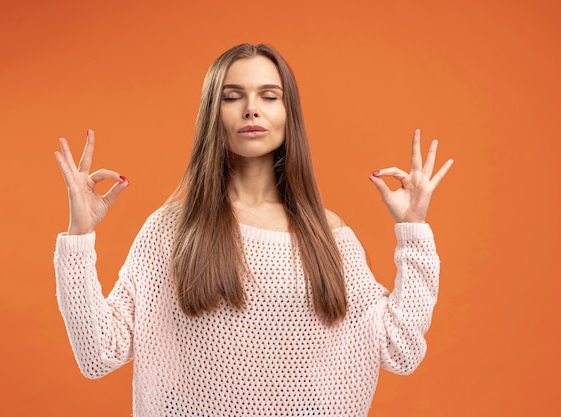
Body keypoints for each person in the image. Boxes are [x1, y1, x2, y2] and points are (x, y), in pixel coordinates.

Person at [53, 43, 453, 417]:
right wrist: (79, 236)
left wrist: (413, 228)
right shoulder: (171, 230)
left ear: (288, 113)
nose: (251, 109)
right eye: (232, 96)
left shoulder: (329, 236)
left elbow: (400, 350)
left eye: (269, 95)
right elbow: (98, 353)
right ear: (214, 113)